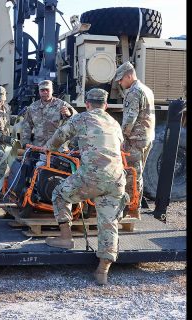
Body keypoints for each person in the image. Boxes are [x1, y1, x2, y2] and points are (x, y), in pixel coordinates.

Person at [44, 88, 129, 285]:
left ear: (88, 104)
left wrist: (48, 149)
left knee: (59, 194)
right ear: (106, 105)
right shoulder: (114, 123)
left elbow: (59, 136)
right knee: (109, 223)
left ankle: (66, 238)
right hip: (117, 179)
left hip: (92, 177)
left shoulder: (81, 118)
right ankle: (102, 271)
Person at [115, 61, 155, 216]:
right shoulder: (147, 90)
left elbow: (129, 119)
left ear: (129, 75)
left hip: (135, 140)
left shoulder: (133, 92)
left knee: (132, 174)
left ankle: (131, 209)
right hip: (146, 138)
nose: (120, 82)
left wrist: (121, 138)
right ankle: (135, 207)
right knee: (138, 173)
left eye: (121, 79)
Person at [20, 80, 77, 149]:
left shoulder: (61, 104)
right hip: (39, 147)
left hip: (58, 148)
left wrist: (69, 114)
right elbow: (26, 127)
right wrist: (25, 143)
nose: (45, 92)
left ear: (52, 91)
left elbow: (76, 119)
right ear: (39, 92)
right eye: (42, 90)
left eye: (47, 90)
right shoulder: (33, 107)